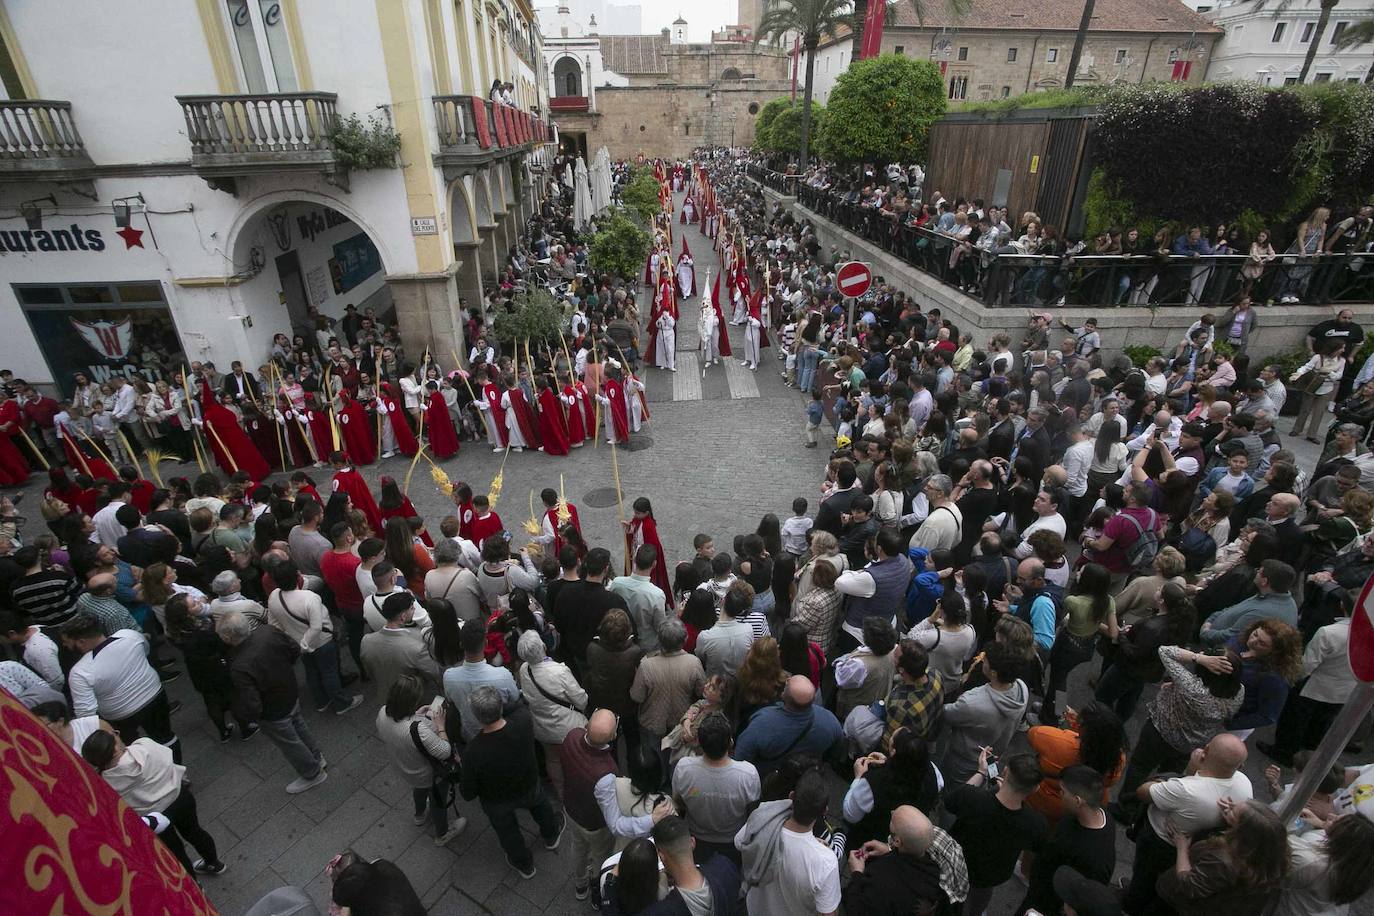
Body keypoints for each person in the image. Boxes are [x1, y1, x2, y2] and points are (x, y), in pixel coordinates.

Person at [1122, 733, 1254, 915]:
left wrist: (1189, 772)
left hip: (1160, 841)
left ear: (1206, 751)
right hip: (1190, 846)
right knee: (1162, 879)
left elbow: (1143, 792)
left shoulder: (1186, 789)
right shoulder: (1245, 784)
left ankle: (1132, 904)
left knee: (1144, 875)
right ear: (1240, 765)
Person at [80, 729, 226, 878]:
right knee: (195, 832)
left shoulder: (105, 783)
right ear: (115, 749)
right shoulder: (144, 746)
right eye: (114, 735)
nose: (118, 733)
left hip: (155, 819)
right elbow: (168, 758)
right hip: (180, 798)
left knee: (176, 852)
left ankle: (195, 887)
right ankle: (213, 862)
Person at [459, 685, 566, 879]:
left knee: (508, 832)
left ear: (476, 716)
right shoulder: (522, 721)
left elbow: (468, 793)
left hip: (497, 800)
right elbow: (517, 705)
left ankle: (523, 863)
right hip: (528, 783)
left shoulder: (473, 751)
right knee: (541, 806)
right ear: (501, 707)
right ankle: (551, 835)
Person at [561, 709, 670, 899]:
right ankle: (597, 889)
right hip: (593, 825)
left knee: (577, 847)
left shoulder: (572, 735)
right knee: (599, 856)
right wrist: (651, 819)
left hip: (570, 810)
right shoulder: (606, 774)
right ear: (613, 736)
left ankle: (580, 885)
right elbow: (616, 825)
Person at [216, 611, 328, 794]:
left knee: (290, 743)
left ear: (228, 637)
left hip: (273, 711)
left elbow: (252, 701)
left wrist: (253, 716)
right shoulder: (268, 632)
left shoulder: (238, 666)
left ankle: (313, 773)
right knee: (300, 726)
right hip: (290, 692)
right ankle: (317, 757)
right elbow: (293, 649)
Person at [62, 615, 182, 763]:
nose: (65, 646)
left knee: (130, 748)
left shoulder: (80, 671)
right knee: (165, 736)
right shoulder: (129, 635)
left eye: (67, 642)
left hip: (121, 715)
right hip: (154, 696)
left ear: (81, 642)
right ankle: (180, 775)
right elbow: (145, 650)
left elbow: (86, 713)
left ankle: (148, 771)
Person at [945, 750, 1048, 916]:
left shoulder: (972, 798)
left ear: (1005, 771)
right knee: (978, 904)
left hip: (957, 864)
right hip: (992, 875)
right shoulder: (1036, 823)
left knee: (948, 902)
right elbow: (1036, 847)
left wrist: (981, 772)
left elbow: (952, 801)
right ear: (1036, 789)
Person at [375, 674, 468, 846]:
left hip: (405, 768)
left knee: (418, 790)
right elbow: (445, 751)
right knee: (437, 800)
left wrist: (417, 715)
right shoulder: (417, 730)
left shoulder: (382, 712)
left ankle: (419, 815)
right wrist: (440, 725)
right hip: (429, 774)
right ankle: (442, 834)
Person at [734, 767, 841, 916]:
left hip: (753, 909)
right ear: (824, 811)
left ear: (791, 796)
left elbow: (739, 842)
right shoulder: (825, 861)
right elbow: (829, 913)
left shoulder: (762, 819)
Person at [1157, 798, 1289, 914]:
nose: (1228, 807)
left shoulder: (1222, 860)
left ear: (1241, 830)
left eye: (1233, 810)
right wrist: (1233, 816)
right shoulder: (1270, 852)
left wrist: (1182, 848)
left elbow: (1188, 885)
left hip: (1179, 906)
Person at [1018, 765, 1116, 916]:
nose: (1059, 795)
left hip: (1047, 905)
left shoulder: (1095, 860)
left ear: (1077, 801)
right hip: (1039, 891)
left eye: (1063, 792)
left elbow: (1085, 904)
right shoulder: (1092, 815)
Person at [671, 710, 760, 865]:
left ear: (698, 741)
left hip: (695, 839)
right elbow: (753, 811)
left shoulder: (684, 769)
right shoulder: (747, 774)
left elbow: (678, 802)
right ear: (730, 742)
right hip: (734, 841)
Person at [843, 805, 960, 916]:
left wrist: (856, 872)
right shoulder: (938, 871)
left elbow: (856, 910)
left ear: (897, 841)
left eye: (893, 818)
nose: (892, 812)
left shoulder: (881, 879)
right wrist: (889, 851)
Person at [941, 642, 1029, 783]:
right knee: (987, 779)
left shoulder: (973, 703)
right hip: (992, 755)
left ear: (993, 672)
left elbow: (947, 714)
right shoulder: (1021, 688)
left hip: (965, 758)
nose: (982, 661)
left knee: (956, 789)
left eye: (985, 660)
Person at [516, 628, 587, 803]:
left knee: (553, 760)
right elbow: (580, 699)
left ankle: (562, 795)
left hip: (542, 727)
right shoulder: (558, 671)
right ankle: (582, 794)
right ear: (543, 646)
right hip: (569, 727)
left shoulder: (525, 670)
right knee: (578, 759)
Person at [734, 675, 842, 773]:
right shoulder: (830, 720)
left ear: (784, 695)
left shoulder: (762, 723)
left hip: (768, 780)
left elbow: (740, 759)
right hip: (805, 780)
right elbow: (838, 752)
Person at [629, 617, 705, 754]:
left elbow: (637, 697)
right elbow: (702, 692)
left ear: (659, 639)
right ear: (684, 639)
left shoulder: (646, 664)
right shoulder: (693, 663)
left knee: (654, 760)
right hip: (682, 722)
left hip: (653, 722)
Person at [1275, 812, 1374, 916]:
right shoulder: (1352, 870)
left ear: (1343, 840)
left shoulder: (1312, 864)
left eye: (1336, 821)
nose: (1330, 815)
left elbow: (1273, 838)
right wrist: (1323, 824)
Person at [442, 617, 520, 743]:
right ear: (486, 643)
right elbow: (514, 698)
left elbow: (450, 700)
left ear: (461, 644)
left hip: (470, 736)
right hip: (501, 733)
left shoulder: (449, 677)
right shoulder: (503, 675)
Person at [361, 591, 443, 699]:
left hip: (383, 694)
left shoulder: (366, 640)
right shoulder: (416, 647)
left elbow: (369, 670)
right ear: (403, 616)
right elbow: (435, 672)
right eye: (412, 608)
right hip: (412, 697)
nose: (414, 610)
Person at [610, 545, 670, 653]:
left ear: (635, 561)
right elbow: (660, 625)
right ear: (654, 564)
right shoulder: (656, 594)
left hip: (622, 638)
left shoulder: (617, 583)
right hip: (647, 644)